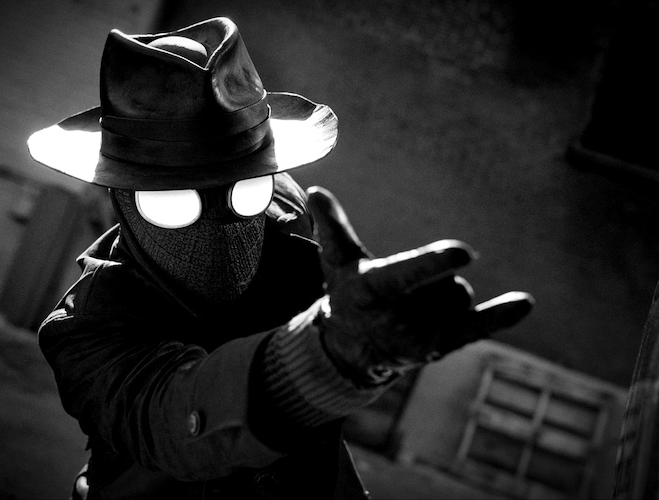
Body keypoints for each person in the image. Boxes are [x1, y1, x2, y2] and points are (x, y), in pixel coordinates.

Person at [28, 17, 534, 500]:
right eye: (174, 203)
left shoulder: (289, 229)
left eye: (243, 191)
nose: (220, 223)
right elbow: (171, 417)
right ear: (122, 199)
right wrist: (322, 359)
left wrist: (367, 342)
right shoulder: (86, 330)